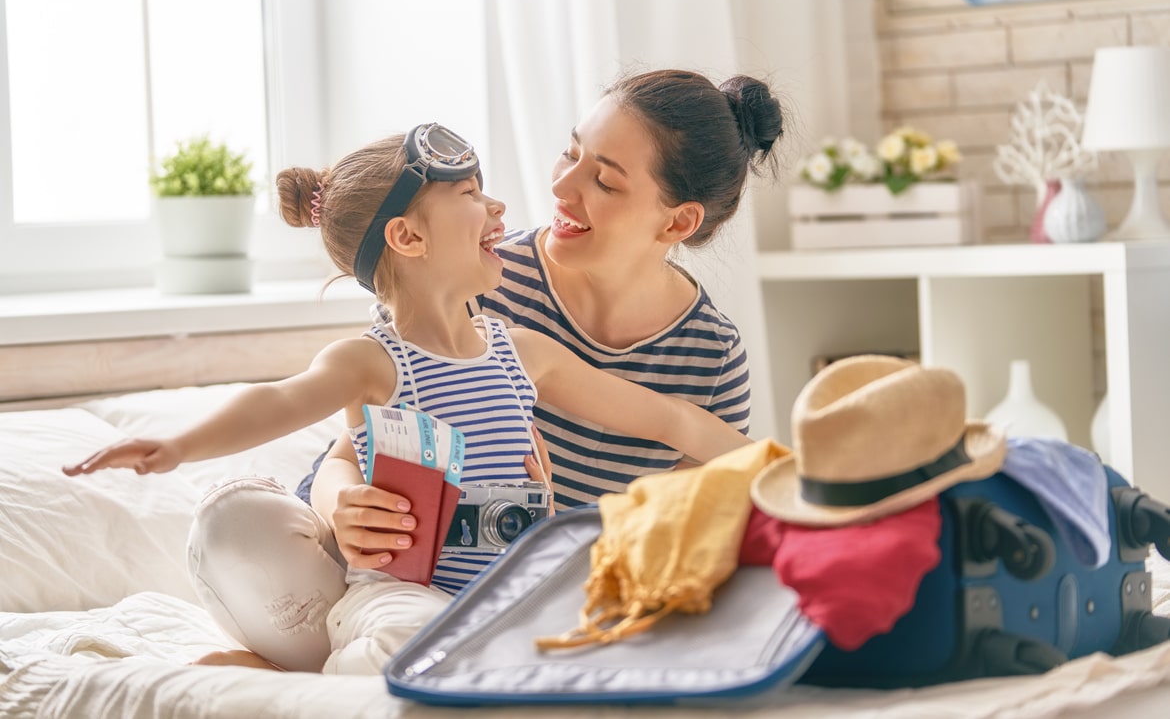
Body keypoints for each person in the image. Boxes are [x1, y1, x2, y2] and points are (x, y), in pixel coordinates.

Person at [62, 122, 756, 675]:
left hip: (512, 585)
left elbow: (669, 419)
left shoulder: (523, 351)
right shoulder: (373, 362)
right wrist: (178, 446)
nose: (499, 207)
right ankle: (313, 679)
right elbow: (278, 402)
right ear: (407, 236)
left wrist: (787, 468)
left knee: (594, 633)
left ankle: (301, 666)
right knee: (403, 635)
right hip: (405, 589)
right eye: (471, 196)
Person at [306, 69, 786, 519]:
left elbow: (669, 536)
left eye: (604, 181)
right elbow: (347, 457)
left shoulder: (711, 357)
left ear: (678, 221)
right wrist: (342, 506)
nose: (560, 184)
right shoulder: (479, 280)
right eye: (571, 153)